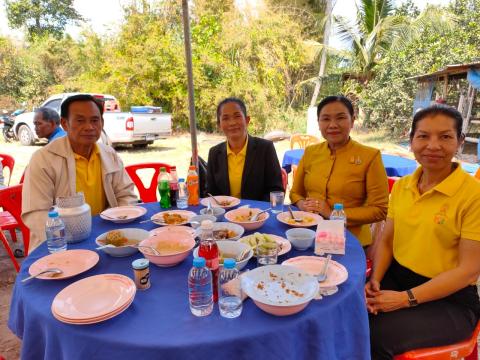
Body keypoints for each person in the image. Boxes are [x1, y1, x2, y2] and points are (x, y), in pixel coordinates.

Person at [366, 105, 480, 359]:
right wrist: (376, 279)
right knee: (346, 312)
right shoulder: (404, 186)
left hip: (450, 299)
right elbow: (387, 240)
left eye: (445, 137)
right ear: (411, 141)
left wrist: (404, 299)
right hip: (397, 277)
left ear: (460, 142)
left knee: (375, 337)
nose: (433, 145)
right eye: (424, 136)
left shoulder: (473, 196)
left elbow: (469, 270)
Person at [22, 94, 137, 251]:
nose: (89, 127)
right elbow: (36, 214)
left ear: (102, 123)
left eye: (95, 120)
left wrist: (119, 227)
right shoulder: (43, 159)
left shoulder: (109, 154)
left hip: (105, 239)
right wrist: (70, 238)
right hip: (59, 247)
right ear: (64, 124)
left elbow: (126, 195)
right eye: (80, 120)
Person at [289, 95, 389, 248]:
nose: (333, 125)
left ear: (352, 121)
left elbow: (380, 210)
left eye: (341, 118)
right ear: (319, 123)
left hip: (350, 239)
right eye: (326, 119)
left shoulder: (370, 156)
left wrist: (331, 213)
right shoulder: (311, 152)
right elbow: (295, 193)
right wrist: (302, 205)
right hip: (308, 232)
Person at [206, 97, 284, 201]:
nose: (232, 123)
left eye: (237, 116)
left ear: (247, 120)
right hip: (224, 213)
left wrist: (253, 211)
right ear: (219, 125)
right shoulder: (214, 153)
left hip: (257, 214)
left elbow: (276, 190)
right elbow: (210, 193)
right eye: (225, 118)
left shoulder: (265, 149)